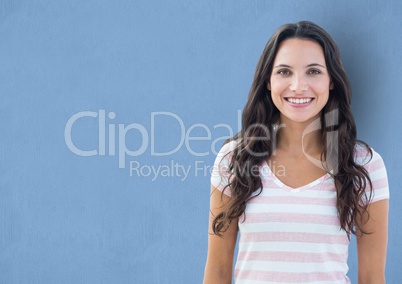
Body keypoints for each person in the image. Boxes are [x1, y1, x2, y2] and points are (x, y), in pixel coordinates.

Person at [203, 21, 389, 284]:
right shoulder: (234, 159)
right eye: (284, 72)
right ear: (268, 81)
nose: (298, 86)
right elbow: (217, 271)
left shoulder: (364, 164)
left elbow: (372, 278)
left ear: (331, 81)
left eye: (313, 71)